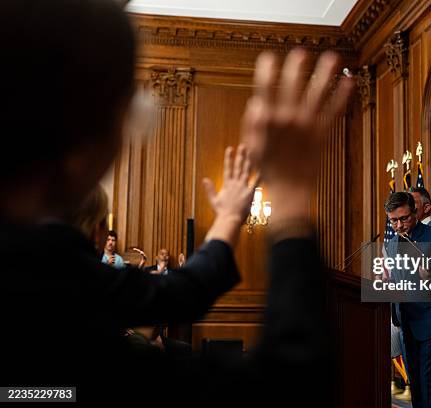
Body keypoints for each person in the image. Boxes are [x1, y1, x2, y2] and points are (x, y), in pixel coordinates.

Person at [0, 1, 354, 405]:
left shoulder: (47, 260)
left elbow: (177, 293)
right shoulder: (43, 269)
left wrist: (227, 218)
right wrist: (290, 198)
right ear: (84, 140)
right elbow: (289, 385)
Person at [385, 191, 431, 408]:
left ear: (414, 212)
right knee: (416, 389)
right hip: (407, 326)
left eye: (404, 218)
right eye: (393, 221)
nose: (399, 225)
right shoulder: (392, 245)